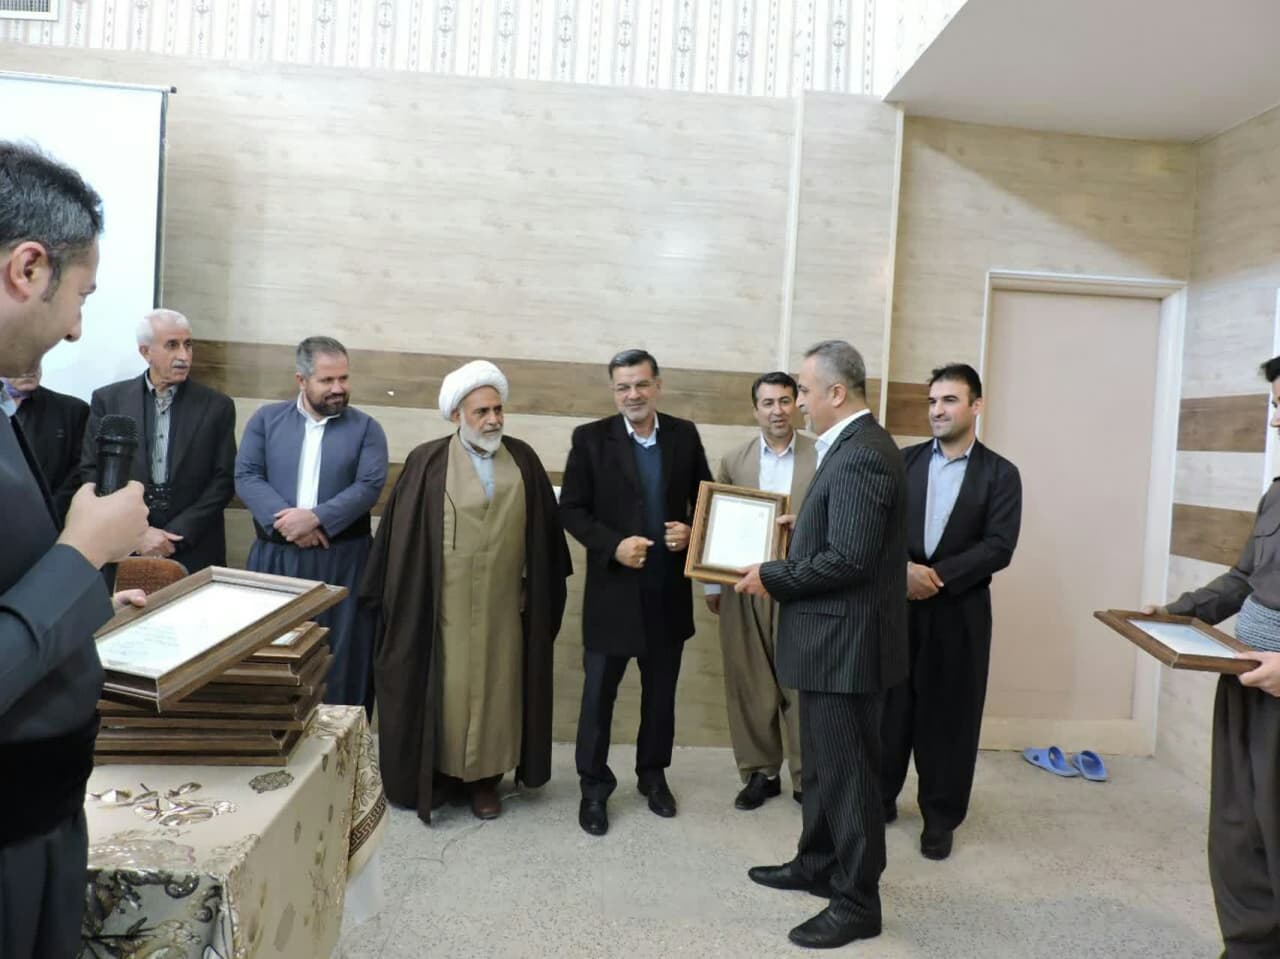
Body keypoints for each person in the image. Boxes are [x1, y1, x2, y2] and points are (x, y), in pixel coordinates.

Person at [0, 140, 150, 958]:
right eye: (80, 297)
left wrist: (88, 600)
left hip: (40, 809)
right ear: (28, 268)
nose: (77, 328)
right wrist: (83, 553)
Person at [736, 339, 907, 949]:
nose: (800, 403)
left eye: (805, 391)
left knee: (849, 776)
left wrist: (774, 575)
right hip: (832, 645)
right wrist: (801, 527)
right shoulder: (855, 446)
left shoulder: (862, 454)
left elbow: (851, 559)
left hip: (847, 650)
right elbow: (844, 534)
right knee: (827, 770)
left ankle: (858, 902)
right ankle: (816, 864)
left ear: (837, 392)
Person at [360, 360, 570, 822]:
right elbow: (401, 540)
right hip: (443, 608)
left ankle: (484, 781)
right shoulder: (427, 462)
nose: (493, 420)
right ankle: (440, 776)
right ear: (457, 415)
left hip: (504, 607)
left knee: (498, 690)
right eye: (481, 412)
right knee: (447, 691)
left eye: (498, 410)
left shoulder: (524, 460)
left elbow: (546, 541)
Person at [1149, 355, 1280, 958]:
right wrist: (1177, 613)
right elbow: (1243, 578)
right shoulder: (1276, 495)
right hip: (1242, 675)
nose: (1276, 421)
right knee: (1237, 830)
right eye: (1276, 406)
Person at [560, 348, 713, 837]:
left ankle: (653, 776)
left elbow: (707, 500)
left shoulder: (684, 435)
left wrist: (691, 530)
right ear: (613, 391)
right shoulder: (589, 439)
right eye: (623, 387)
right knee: (597, 699)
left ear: (657, 386)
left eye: (641, 384)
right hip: (613, 595)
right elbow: (572, 510)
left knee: (660, 696)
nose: (633, 395)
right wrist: (614, 546)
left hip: (667, 593)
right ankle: (593, 788)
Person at [880, 363, 1021, 861]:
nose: (937, 410)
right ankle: (880, 798)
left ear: (976, 406)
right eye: (933, 401)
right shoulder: (903, 462)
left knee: (949, 718)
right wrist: (903, 570)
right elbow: (878, 529)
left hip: (960, 612)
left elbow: (999, 546)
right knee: (889, 709)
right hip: (898, 607)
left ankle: (940, 818)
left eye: (950, 400)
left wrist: (934, 577)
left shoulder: (1001, 474)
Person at [235, 336, 388, 712]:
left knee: (343, 658)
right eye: (327, 380)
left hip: (343, 561)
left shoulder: (367, 428)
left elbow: (369, 485)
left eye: (344, 378)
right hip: (276, 560)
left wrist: (316, 518)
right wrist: (287, 523)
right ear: (301, 380)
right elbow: (247, 475)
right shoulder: (266, 420)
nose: (338, 388)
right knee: (273, 653)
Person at [705, 371, 816, 810]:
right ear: (755, 410)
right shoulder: (735, 460)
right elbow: (714, 521)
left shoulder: (822, 456)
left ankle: (808, 778)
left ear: (797, 405)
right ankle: (760, 773)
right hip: (744, 585)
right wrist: (713, 584)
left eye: (785, 401)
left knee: (802, 685)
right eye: (768, 403)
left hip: (802, 583)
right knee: (749, 681)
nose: (777, 411)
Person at [81, 308, 236, 573]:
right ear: (145, 352)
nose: (184, 356)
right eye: (172, 345)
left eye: (188, 345)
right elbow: (92, 471)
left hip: (194, 548)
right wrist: (140, 533)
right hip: (124, 547)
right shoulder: (109, 400)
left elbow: (223, 480)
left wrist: (176, 534)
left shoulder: (217, 406)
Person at [1, 362, 89, 524]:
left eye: (35, 361)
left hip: (55, 522)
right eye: (23, 361)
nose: (29, 370)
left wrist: (47, 513)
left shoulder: (73, 410)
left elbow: (81, 470)